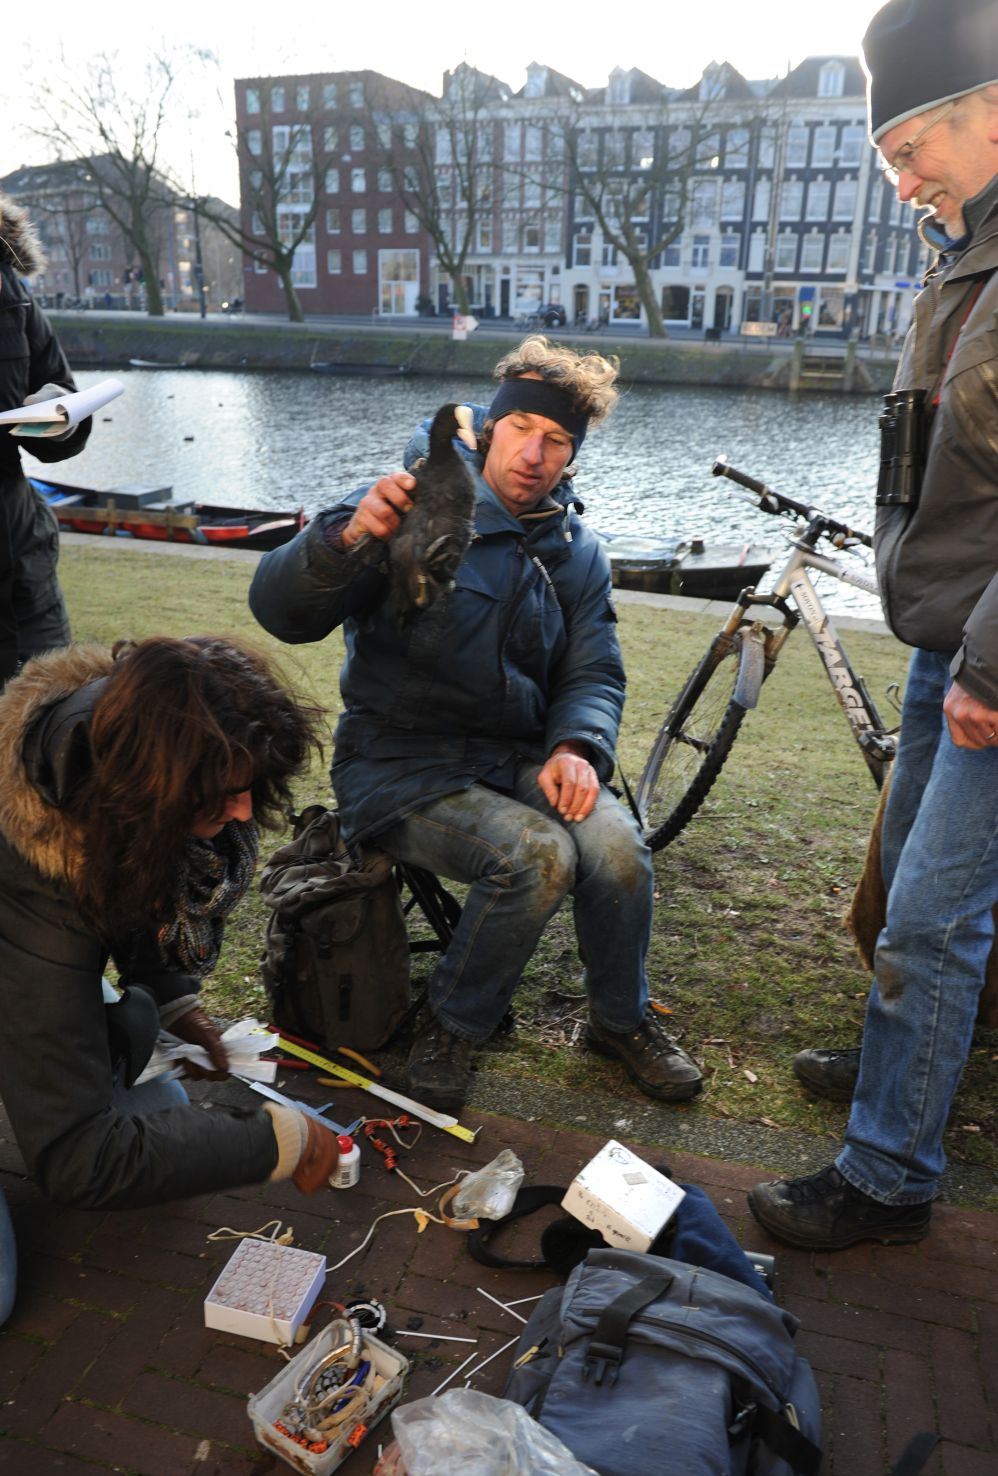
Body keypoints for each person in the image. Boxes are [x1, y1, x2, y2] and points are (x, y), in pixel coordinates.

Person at [249, 336, 703, 1113]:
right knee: (537, 856)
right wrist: (346, 537)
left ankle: (620, 1020)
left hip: (516, 757)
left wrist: (575, 745)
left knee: (619, 848)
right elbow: (282, 614)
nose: (534, 451)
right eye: (521, 427)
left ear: (571, 456)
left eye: (556, 439)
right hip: (398, 766)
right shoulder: (408, 505)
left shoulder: (578, 550)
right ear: (490, 428)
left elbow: (593, 669)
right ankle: (453, 1024)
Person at [750, 0, 998, 1251]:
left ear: (991, 106)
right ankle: (893, 1067)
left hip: (989, 658)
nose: (899, 175)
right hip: (942, 631)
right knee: (901, 885)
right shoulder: (959, 254)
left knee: (933, 916)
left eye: (913, 145)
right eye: (886, 155)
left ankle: (889, 1173)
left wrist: (988, 668)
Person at [0, 636, 341, 1328]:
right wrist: (282, 1140)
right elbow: (77, 1160)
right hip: (18, 957)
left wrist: (174, 997)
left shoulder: (103, 754)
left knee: (159, 1107)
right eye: (225, 794)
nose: (245, 813)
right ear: (149, 790)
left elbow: (118, 876)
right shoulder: (32, 885)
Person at [0, 194, 92, 689]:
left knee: (51, 727)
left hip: (24, 568)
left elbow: (59, 387)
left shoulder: (12, 290)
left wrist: (62, 414)